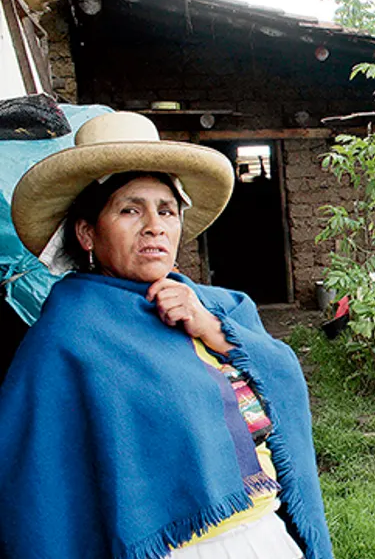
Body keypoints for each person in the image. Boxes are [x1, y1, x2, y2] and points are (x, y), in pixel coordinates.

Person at [0, 112, 334, 559]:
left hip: (266, 532)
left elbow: (286, 381)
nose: (154, 225)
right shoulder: (69, 337)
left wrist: (214, 331)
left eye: (167, 210)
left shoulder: (219, 308)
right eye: (129, 209)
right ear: (87, 233)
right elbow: (35, 484)